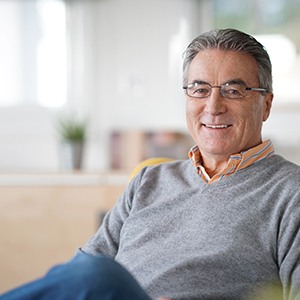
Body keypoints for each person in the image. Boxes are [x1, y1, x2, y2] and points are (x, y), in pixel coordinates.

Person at [1, 28, 300, 300]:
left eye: (233, 91)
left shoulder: (290, 192)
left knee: (98, 274)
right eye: (199, 89)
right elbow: (79, 274)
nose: (213, 106)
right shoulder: (149, 179)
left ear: (266, 105)